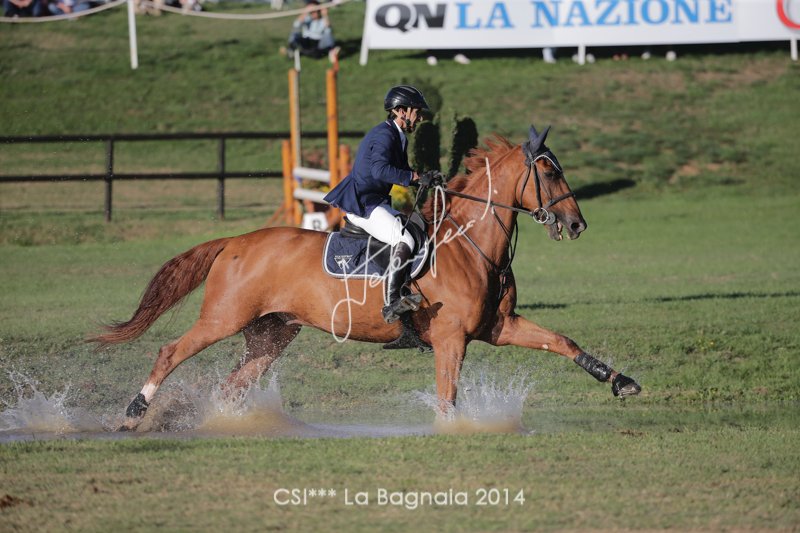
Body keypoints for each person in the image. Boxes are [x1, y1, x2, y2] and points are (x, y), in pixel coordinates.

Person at [323, 85, 431, 324]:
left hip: (375, 202)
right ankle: (392, 303)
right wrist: (413, 177)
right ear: (401, 111)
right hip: (364, 205)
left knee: (414, 230)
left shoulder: (396, 135)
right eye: (417, 112)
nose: (420, 118)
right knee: (405, 240)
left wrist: (423, 177)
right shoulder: (384, 135)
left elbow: (400, 171)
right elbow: (380, 170)